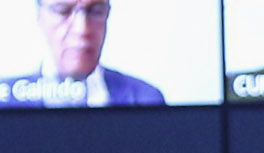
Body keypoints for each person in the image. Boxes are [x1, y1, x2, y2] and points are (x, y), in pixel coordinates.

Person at [5, 0, 163, 107]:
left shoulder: (146, 99)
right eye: (62, 11)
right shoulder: (5, 99)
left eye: (96, 11)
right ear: (39, 15)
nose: (82, 28)